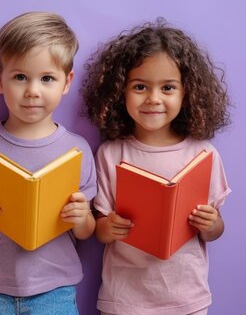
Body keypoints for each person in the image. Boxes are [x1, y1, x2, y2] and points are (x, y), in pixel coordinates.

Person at [81, 19, 231, 315]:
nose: (153, 99)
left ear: (186, 93)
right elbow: (99, 228)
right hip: (124, 300)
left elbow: (215, 230)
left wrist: (212, 225)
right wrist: (109, 227)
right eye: (140, 86)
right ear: (120, 91)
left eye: (168, 88)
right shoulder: (111, 153)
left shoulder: (203, 153)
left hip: (187, 298)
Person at [0, 11, 97, 315]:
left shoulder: (77, 150)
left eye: (47, 78)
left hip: (55, 289)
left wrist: (81, 217)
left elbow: (86, 230)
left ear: (66, 82)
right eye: (20, 77)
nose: (33, 91)